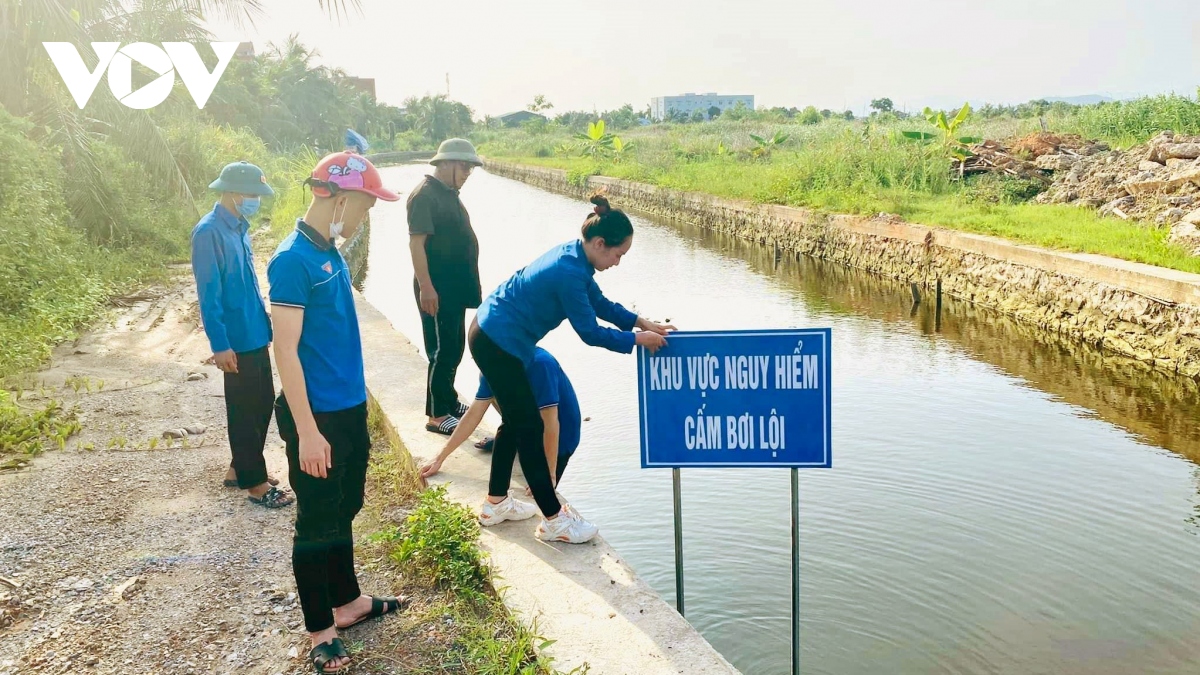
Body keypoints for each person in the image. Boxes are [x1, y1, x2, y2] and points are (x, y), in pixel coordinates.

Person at [468, 193, 674, 544]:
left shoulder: (576, 259)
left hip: (497, 336)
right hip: (497, 342)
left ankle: (496, 502)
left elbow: (600, 304)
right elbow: (589, 332)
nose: (618, 262)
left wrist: (642, 322)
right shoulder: (569, 271)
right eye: (617, 254)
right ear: (598, 243)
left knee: (517, 423)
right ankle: (554, 521)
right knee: (530, 426)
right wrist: (637, 341)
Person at [267, 152, 404, 674]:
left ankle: (347, 602)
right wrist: (306, 431)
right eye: (366, 206)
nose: (367, 217)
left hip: (348, 409)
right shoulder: (291, 262)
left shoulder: (330, 252)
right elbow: (286, 352)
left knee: (346, 507)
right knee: (316, 521)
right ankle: (320, 629)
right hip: (317, 417)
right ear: (341, 199)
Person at [190, 160, 293, 509]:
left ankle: (240, 467)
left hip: (254, 331)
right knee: (244, 409)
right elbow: (209, 293)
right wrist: (220, 345)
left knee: (263, 402)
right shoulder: (208, 233)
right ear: (232, 193)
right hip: (234, 338)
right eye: (251, 194)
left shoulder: (239, 227)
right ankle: (256, 485)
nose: (255, 200)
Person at [419, 347, 580, 498]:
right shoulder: (491, 368)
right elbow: (474, 413)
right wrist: (440, 457)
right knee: (494, 395)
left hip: (562, 434)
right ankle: (512, 440)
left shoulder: (540, 365)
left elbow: (551, 424)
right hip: (529, 419)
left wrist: (549, 473)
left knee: (542, 493)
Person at [407, 138, 484, 437]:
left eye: (470, 168)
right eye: (464, 166)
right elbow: (417, 244)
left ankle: (449, 401)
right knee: (441, 350)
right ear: (447, 163)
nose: (467, 173)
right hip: (436, 288)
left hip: (453, 287)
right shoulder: (425, 195)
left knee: (454, 347)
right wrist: (427, 287)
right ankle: (437, 415)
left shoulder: (448, 192)